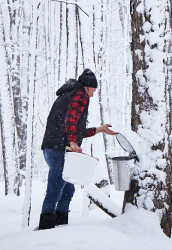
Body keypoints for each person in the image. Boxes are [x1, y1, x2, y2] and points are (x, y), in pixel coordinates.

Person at [38, 69, 117, 230]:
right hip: (59, 149)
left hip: (52, 148)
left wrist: (99, 129)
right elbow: (71, 119)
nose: (92, 95)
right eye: (93, 91)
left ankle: (61, 225)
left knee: (67, 189)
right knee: (55, 190)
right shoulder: (80, 95)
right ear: (88, 87)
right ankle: (45, 230)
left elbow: (74, 126)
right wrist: (73, 142)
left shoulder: (68, 96)